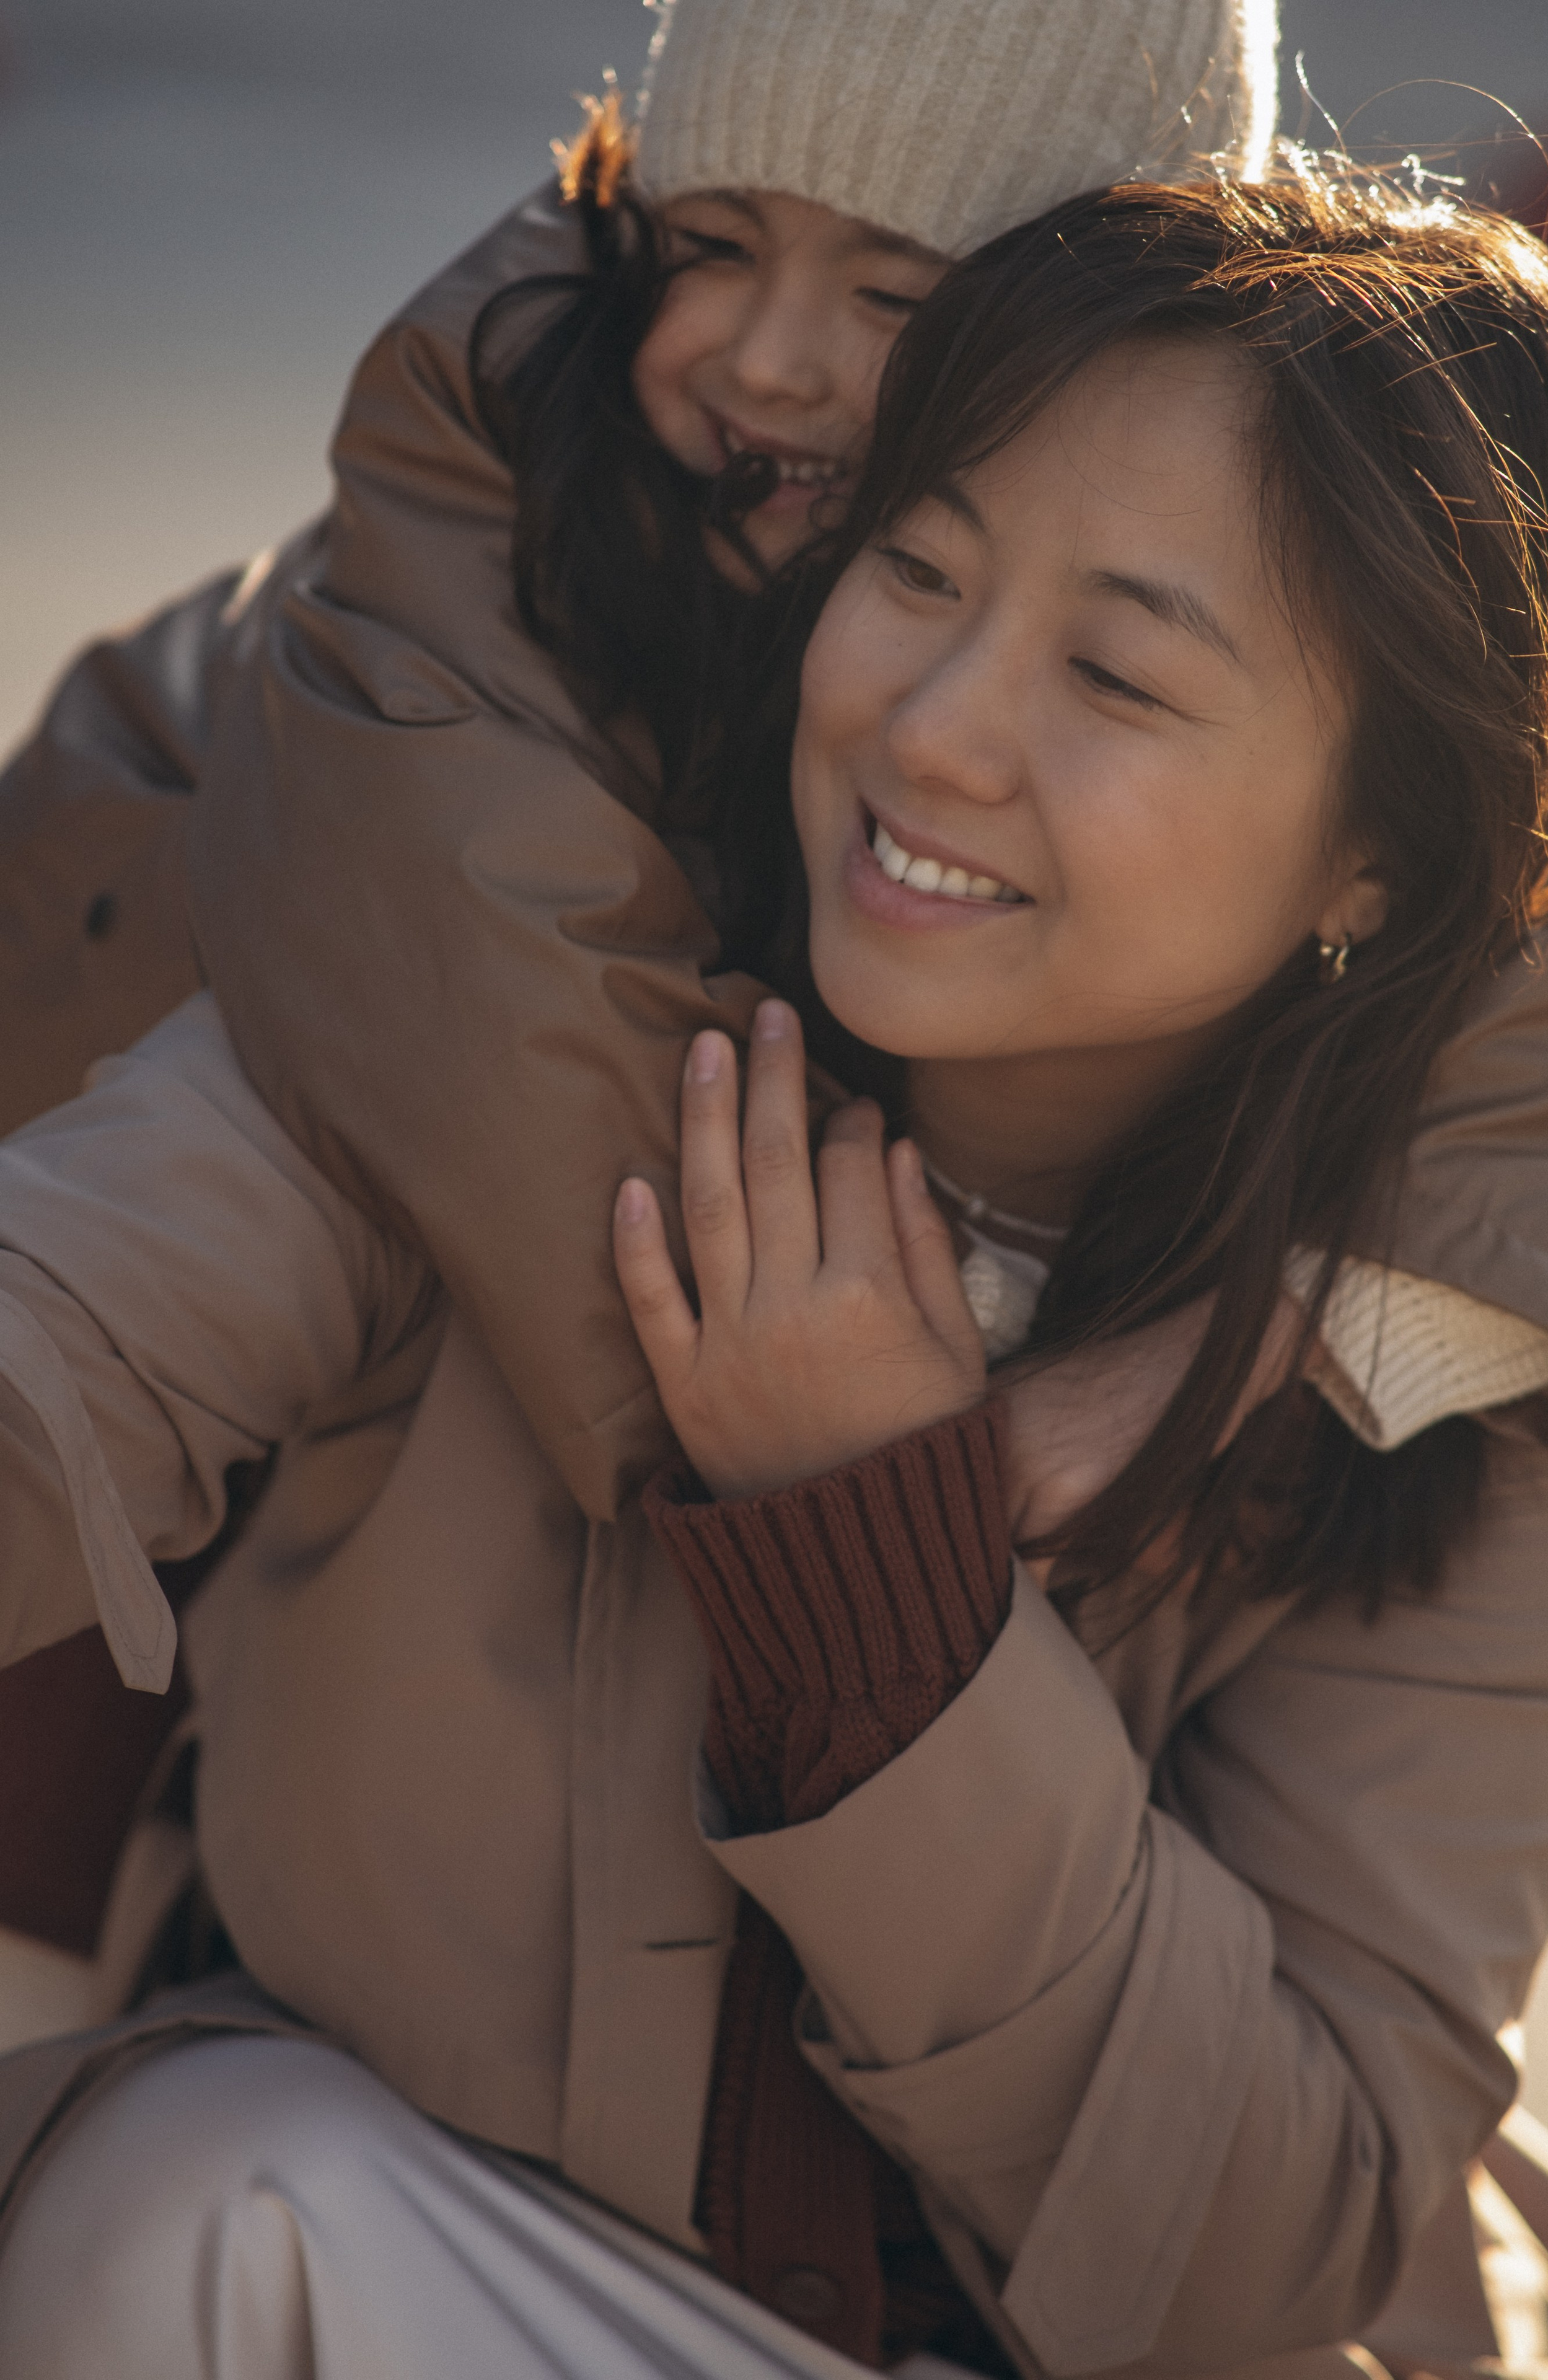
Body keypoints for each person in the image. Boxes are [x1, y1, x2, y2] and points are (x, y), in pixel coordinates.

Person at [0, 165, 1548, 2378]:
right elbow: (71, 1323)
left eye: (1117, 675)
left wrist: (890, 1586)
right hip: (427, 2270)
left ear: (1371, 857)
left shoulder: (1456, 1390)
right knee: (203, 2194)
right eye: (914, 566)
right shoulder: (505, 1042)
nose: (933, 725)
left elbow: (1270, 2251)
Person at [0, 0, 1309, 1993]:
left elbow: (1515, 978)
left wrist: (1330, 1304)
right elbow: (509, 1059)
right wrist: (870, 1464)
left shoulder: (1125, 566)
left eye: (894, 285)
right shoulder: (519, 528)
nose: (765, 357)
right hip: (116, 993)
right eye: (707, 242)